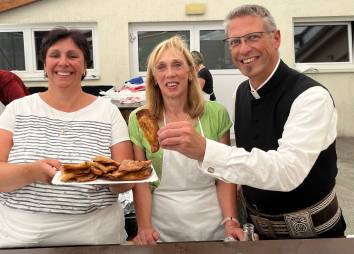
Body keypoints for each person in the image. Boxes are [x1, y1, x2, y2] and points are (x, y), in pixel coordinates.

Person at [157, 5, 346, 240]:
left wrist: (206, 149)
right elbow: (247, 156)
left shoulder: (310, 96)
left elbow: (287, 171)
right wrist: (232, 218)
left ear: (276, 38)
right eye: (235, 42)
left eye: (253, 37)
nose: (244, 48)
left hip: (314, 236)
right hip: (257, 233)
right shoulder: (242, 93)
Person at [0, 28, 134, 248]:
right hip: (21, 236)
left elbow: (122, 182)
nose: (63, 62)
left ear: (84, 66)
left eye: (73, 56)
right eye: (55, 55)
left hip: (95, 237)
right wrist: (32, 171)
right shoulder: (17, 109)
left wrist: (116, 177)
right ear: (44, 64)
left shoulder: (108, 112)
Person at [129, 36, 242, 244]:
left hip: (213, 219)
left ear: (191, 73)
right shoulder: (141, 119)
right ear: (154, 77)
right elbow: (141, 181)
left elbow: (225, 175)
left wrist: (231, 220)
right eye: (161, 67)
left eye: (177, 65)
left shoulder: (216, 113)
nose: (170, 73)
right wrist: (145, 227)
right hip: (162, 224)